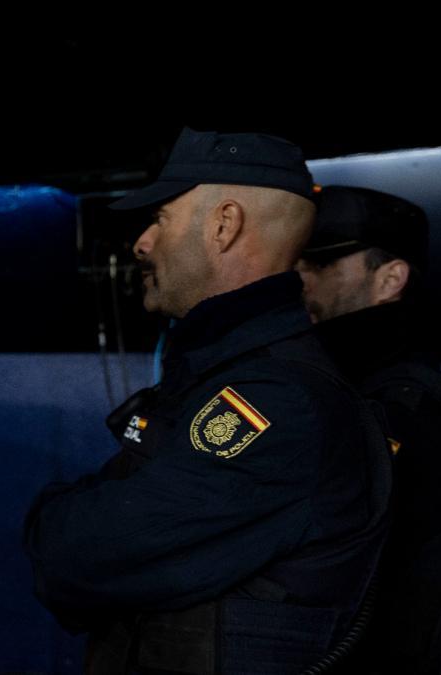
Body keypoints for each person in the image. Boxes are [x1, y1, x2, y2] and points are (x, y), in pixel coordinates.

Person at [23, 128, 392, 674]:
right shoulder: (217, 373)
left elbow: (76, 555)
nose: (142, 242)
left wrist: (55, 520)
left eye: (161, 218)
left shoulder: (279, 402)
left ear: (224, 225)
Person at [297, 186, 441, 674]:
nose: (300, 277)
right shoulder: (339, 385)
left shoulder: (405, 409)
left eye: (321, 262)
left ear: (391, 279)